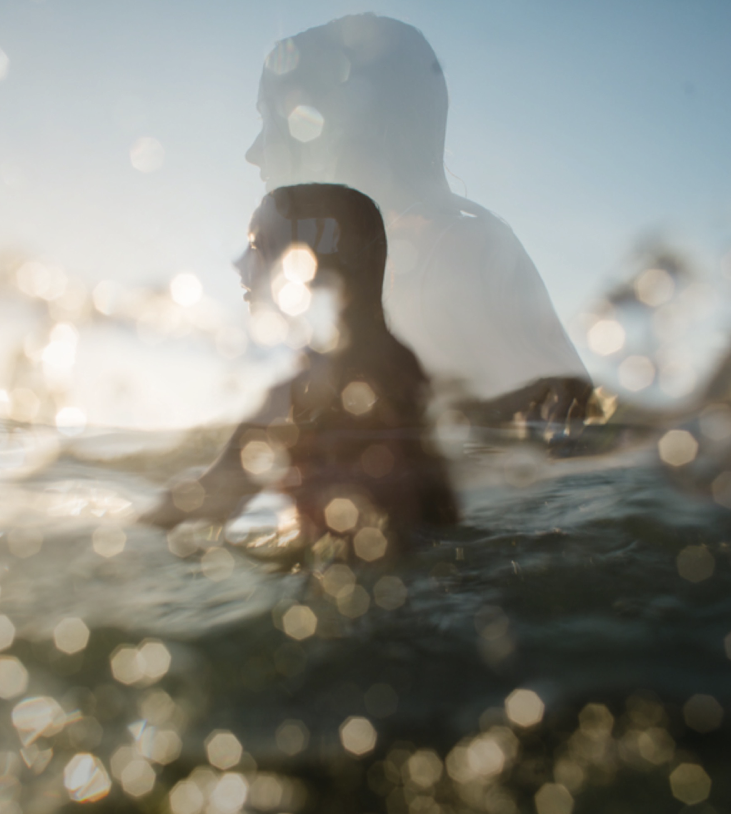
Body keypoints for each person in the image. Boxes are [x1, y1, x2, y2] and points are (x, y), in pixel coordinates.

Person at [247, 14, 592, 431]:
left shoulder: (455, 253)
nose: (253, 151)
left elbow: (557, 443)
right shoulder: (344, 269)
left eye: (270, 121)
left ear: (340, 127)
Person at [143, 184, 458, 546]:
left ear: (306, 263)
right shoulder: (400, 366)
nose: (238, 262)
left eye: (259, 245)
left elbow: (209, 499)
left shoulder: (303, 392)